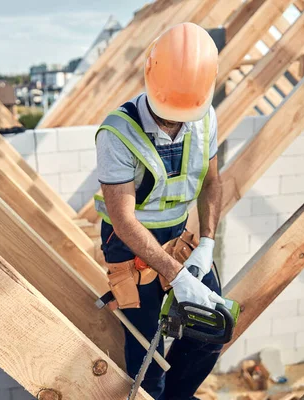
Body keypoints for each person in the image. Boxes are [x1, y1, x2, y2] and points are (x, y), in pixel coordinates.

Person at [95, 23, 224, 399]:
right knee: (147, 355)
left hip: (180, 239)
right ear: (150, 79)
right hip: (128, 246)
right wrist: (174, 275)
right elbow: (123, 220)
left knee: (212, 329)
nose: (176, 120)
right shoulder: (116, 133)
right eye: (169, 111)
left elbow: (212, 182)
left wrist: (207, 243)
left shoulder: (204, 116)